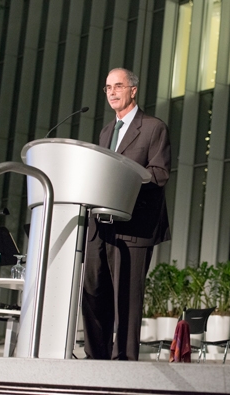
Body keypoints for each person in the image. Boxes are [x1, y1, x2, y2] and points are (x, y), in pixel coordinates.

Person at [82, 68, 171, 360]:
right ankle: (96, 360)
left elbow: (159, 174)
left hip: (133, 226)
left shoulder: (153, 127)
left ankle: (124, 365)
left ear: (133, 90)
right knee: (93, 294)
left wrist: (122, 180)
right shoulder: (107, 131)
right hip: (100, 226)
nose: (111, 92)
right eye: (107, 87)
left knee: (127, 301)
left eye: (118, 86)